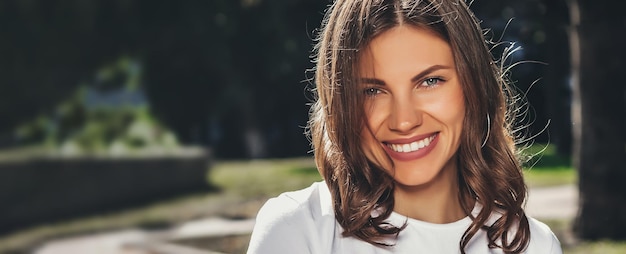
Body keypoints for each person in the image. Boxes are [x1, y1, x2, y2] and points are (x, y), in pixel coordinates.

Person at [247, 0, 562, 253]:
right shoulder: (300, 229)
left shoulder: (532, 245)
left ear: (473, 87)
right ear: (343, 105)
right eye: (372, 91)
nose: (404, 120)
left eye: (429, 81)